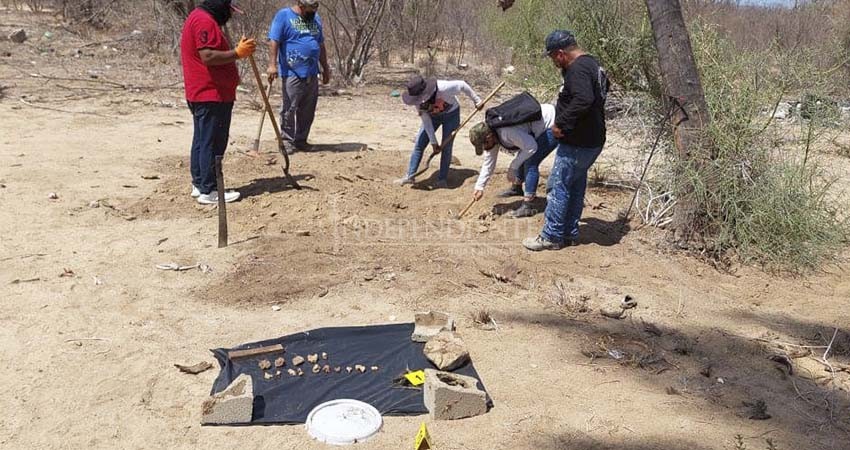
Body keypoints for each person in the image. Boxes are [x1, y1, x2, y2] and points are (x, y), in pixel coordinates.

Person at [523, 30, 609, 251]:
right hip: (592, 139)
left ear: (560, 54)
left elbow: (584, 99)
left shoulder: (577, 69)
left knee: (557, 185)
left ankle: (551, 235)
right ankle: (569, 233)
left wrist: (562, 124)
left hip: (578, 141)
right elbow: (601, 91)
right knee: (575, 185)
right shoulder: (592, 64)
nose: (553, 62)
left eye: (552, 57)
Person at [180, 0, 256, 205]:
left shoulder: (200, 18)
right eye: (229, 11)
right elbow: (208, 56)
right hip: (210, 93)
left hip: (206, 92)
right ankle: (210, 189)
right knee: (212, 141)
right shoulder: (204, 21)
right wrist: (237, 53)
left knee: (202, 139)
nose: (229, 16)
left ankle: (199, 183)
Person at [468, 94, 558, 218]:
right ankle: (517, 188)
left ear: (488, 137)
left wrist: (513, 166)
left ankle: (529, 204)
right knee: (523, 156)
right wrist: (479, 186)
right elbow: (488, 163)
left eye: (483, 145)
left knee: (530, 161)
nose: (485, 148)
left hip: (551, 124)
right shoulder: (491, 135)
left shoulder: (506, 132)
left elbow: (532, 147)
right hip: (532, 131)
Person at [267, 0, 330, 155]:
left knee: (308, 109)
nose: (313, 12)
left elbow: (320, 44)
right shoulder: (284, 16)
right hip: (292, 72)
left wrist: (325, 67)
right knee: (289, 108)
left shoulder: (315, 18)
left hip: (312, 71)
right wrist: (272, 65)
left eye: (315, 8)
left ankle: (301, 140)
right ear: (301, 6)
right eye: (310, 9)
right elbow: (274, 41)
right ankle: (287, 141)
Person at [396, 74, 482, 188]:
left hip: (451, 115)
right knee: (419, 144)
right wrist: (433, 142)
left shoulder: (444, 88)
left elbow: (462, 84)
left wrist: (476, 100)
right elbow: (426, 121)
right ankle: (410, 176)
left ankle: (442, 179)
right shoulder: (417, 100)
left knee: (446, 147)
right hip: (432, 117)